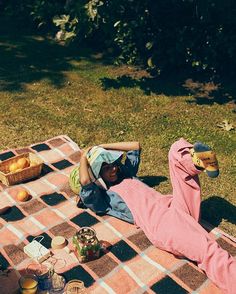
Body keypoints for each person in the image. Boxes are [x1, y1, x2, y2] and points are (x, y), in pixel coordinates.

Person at [73, 139, 236, 294]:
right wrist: (84, 157)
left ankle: (197, 162)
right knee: (209, 251)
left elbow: (135, 146)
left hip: (175, 205)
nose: (114, 168)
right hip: (163, 224)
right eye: (106, 168)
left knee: (176, 149)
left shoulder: (126, 173)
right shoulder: (104, 199)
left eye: (112, 164)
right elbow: (85, 181)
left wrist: (102, 147)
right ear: (97, 176)